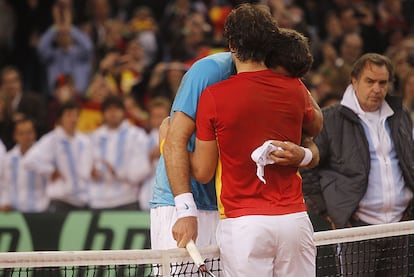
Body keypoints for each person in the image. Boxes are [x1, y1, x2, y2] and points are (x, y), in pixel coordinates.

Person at [151, 5, 322, 251]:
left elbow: (314, 123)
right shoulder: (208, 72)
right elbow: (176, 142)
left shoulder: (279, 72)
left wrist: (306, 154)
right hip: (184, 203)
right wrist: (185, 210)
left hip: (232, 209)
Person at [187, 9, 317, 275]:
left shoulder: (213, 97)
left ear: (231, 45)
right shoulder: (295, 89)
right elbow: (317, 125)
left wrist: (170, 142)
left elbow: (202, 172)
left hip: (244, 225)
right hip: (294, 220)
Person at [302, 53, 414, 276]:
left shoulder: (400, 115)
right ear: (354, 81)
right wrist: (330, 212)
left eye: (383, 83)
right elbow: (307, 169)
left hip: (400, 225)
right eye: (370, 81)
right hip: (356, 230)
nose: (377, 89)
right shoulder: (330, 119)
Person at [23, 101, 93, 211]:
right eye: (69, 115)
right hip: (61, 200)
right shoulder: (52, 139)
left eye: (76, 115)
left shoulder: (85, 141)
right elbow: (29, 161)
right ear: (61, 119)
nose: (73, 119)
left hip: (84, 199)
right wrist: (50, 170)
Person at [89, 96, 151, 210]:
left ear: (123, 112)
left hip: (127, 199)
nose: (113, 113)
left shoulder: (137, 135)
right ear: (103, 113)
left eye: (116, 109)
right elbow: (84, 167)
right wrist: (91, 172)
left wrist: (118, 173)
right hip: (98, 200)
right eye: (109, 110)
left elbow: (140, 169)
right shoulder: (94, 137)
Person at [0, 118, 49, 212]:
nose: (25, 137)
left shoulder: (44, 155)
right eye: (21, 133)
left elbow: (50, 182)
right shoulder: (9, 158)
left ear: (34, 134)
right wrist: (4, 202)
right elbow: (5, 185)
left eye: (29, 133)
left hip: (40, 209)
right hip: (14, 211)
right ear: (15, 136)